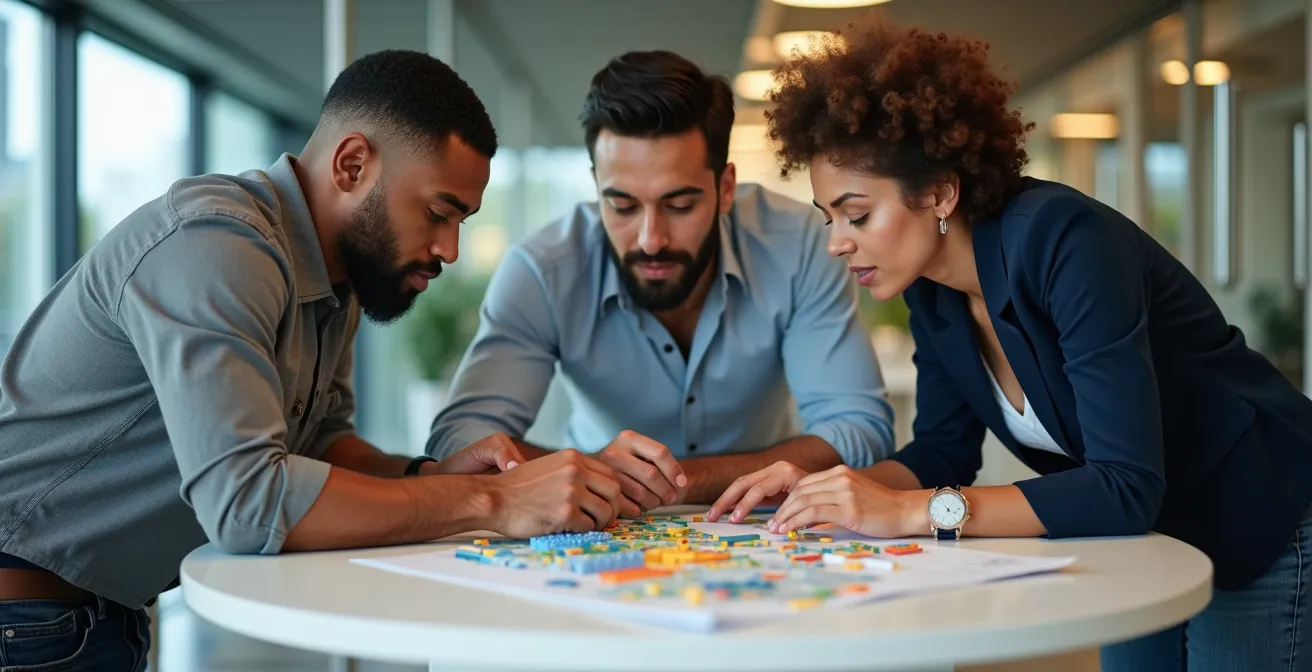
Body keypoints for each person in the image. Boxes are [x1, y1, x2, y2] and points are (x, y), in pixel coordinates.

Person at [707, 15, 1312, 671]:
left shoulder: (1064, 241)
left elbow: (1123, 484)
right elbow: (944, 448)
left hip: (1259, 512)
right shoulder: (931, 290)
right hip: (1148, 538)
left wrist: (911, 512)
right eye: (830, 219)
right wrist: (833, 487)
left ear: (939, 192)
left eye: (857, 215)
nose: (836, 242)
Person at [0, 50, 624, 672]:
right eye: (438, 213)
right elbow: (248, 504)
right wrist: (494, 503)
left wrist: (435, 476)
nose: (450, 249)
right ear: (352, 164)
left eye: (462, 221)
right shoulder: (217, 243)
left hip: (95, 615)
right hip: (22, 620)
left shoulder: (336, 280)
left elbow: (323, 446)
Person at [426, 50, 895, 517]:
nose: (651, 240)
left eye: (679, 205)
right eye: (623, 206)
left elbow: (858, 429)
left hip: (760, 525)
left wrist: (666, 481)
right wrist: (593, 471)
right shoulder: (543, 269)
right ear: (596, 187)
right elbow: (462, 440)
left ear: (725, 189)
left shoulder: (799, 245)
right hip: (592, 525)